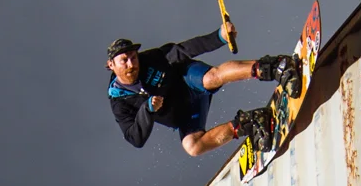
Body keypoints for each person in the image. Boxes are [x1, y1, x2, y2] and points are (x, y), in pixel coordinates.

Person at [105, 20, 299, 157]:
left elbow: (185, 49)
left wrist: (219, 37)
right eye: (124, 60)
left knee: (210, 78)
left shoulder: (151, 59)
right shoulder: (119, 102)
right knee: (192, 147)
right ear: (111, 65)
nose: (132, 64)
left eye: (133, 57)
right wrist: (147, 109)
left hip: (188, 81)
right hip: (185, 113)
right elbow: (135, 138)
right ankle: (252, 122)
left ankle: (276, 67)